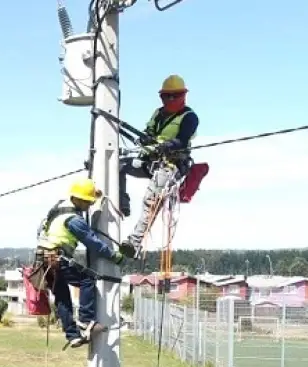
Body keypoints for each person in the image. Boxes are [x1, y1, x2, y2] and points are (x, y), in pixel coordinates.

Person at [32, 178, 132, 348]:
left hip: (43, 260)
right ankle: (86, 321)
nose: (88, 205)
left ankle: (72, 336)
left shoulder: (59, 207)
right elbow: (92, 242)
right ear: (77, 199)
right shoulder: (74, 220)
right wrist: (114, 256)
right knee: (87, 279)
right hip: (56, 259)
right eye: (86, 202)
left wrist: (96, 197)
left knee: (63, 299)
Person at [118, 74, 199, 256]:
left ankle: (135, 243)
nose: (170, 99)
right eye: (166, 96)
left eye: (174, 96)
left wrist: (166, 146)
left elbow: (182, 140)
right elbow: (149, 131)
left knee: (151, 200)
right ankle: (123, 204)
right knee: (119, 166)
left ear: (183, 95)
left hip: (172, 164)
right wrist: (146, 139)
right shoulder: (158, 114)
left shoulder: (190, 117)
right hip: (151, 160)